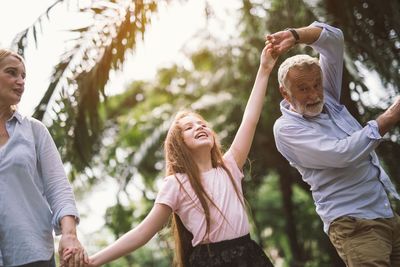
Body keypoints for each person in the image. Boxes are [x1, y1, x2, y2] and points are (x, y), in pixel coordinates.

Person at [87, 43, 278, 267]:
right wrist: (92, 261)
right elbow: (143, 232)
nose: (199, 127)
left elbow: (250, 119)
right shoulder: (176, 184)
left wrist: (264, 69)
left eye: (202, 123)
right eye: (188, 128)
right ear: (179, 145)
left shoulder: (230, 166)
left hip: (249, 257)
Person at [268, 21, 400, 266]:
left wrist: (295, 35)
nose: (315, 94)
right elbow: (342, 154)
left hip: (387, 214)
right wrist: (390, 116)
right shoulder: (286, 129)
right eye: (303, 89)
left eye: (317, 85)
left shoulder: (325, 98)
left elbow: (334, 40)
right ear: (285, 93)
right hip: (355, 226)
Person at [0, 48, 88, 267]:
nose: (20, 81)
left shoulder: (33, 131)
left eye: (23, 76)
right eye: (11, 73)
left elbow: (58, 188)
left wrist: (69, 235)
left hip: (32, 253)